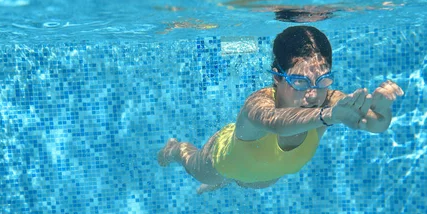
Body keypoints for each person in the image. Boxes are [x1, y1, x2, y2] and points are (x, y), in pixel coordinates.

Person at [157, 26, 404, 194]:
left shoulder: (330, 101)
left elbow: (375, 125)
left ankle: (229, 180)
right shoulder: (259, 104)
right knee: (205, 174)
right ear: (277, 77)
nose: (312, 93)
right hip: (219, 162)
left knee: (248, 182)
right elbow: (276, 122)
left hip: (262, 175)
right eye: (300, 81)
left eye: (322, 80)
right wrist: (327, 116)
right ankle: (175, 148)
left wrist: (383, 110)